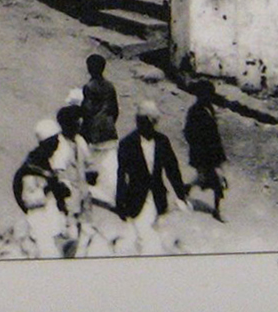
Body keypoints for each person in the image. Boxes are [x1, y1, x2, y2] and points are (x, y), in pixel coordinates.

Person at [114, 100, 188, 255]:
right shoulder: (127, 143)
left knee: (155, 235)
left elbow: (172, 169)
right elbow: (121, 174)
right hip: (136, 198)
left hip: (158, 197)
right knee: (144, 237)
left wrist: (181, 195)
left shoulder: (162, 141)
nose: (142, 124)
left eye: (147, 121)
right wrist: (120, 202)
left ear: (153, 122)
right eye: (140, 120)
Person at [12, 120, 72, 259]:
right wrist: (48, 189)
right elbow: (29, 200)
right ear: (47, 142)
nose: (58, 143)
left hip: (52, 218)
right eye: (55, 140)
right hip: (40, 221)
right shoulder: (33, 167)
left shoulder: (47, 160)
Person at [50, 102, 95, 254]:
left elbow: (89, 163)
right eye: (76, 121)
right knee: (70, 235)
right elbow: (58, 172)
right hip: (69, 196)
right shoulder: (60, 145)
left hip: (83, 192)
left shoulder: (79, 140)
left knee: (86, 231)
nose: (79, 124)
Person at [182, 80, 227, 222]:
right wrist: (198, 148)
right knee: (216, 181)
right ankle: (217, 210)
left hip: (213, 152)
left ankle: (187, 188)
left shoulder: (209, 108)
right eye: (206, 95)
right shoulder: (195, 111)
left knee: (208, 179)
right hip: (203, 153)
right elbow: (188, 132)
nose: (209, 97)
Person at [79, 54, 120, 206]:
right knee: (109, 162)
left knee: (89, 159)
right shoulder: (110, 86)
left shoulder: (89, 87)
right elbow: (115, 110)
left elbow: (87, 110)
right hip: (109, 127)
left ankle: (90, 189)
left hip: (94, 130)